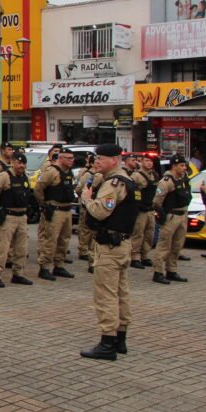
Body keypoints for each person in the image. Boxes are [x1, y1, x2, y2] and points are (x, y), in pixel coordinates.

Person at [78, 143, 138, 361]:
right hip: (121, 244)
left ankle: (107, 343)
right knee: (121, 292)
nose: (97, 163)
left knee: (106, 295)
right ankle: (120, 339)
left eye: (101, 159)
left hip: (110, 247)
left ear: (114, 160)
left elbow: (101, 211)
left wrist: (87, 199)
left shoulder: (113, 183)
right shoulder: (127, 180)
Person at [0, 152, 33, 287]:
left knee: (21, 248)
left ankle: (18, 274)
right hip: (9, 216)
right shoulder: (4, 177)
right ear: (12, 162)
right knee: (3, 247)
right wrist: (0, 209)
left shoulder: (25, 177)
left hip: (22, 217)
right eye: (19, 163)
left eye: (23, 163)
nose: (21, 166)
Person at [34, 148, 77, 280]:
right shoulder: (51, 172)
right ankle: (45, 267)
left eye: (72, 158)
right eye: (69, 158)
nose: (72, 161)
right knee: (51, 240)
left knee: (64, 240)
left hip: (66, 209)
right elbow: (38, 188)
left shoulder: (68, 172)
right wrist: (44, 205)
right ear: (61, 158)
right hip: (55, 210)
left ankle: (59, 265)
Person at [152, 155, 192, 284]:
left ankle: (172, 270)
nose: (184, 168)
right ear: (174, 166)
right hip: (171, 216)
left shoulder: (183, 179)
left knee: (177, 245)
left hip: (182, 215)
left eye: (185, 165)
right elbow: (157, 202)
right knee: (164, 245)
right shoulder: (166, 181)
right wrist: (163, 216)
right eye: (181, 165)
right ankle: (158, 272)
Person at [127, 154, 157, 269]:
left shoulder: (153, 175)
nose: (149, 163)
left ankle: (145, 256)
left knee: (149, 234)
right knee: (138, 233)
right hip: (140, 210)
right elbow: (130, 191)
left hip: (150, 209)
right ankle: (134, 257)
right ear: (141, 162)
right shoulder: (136, 176)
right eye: (147, 160)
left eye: (151, 161)